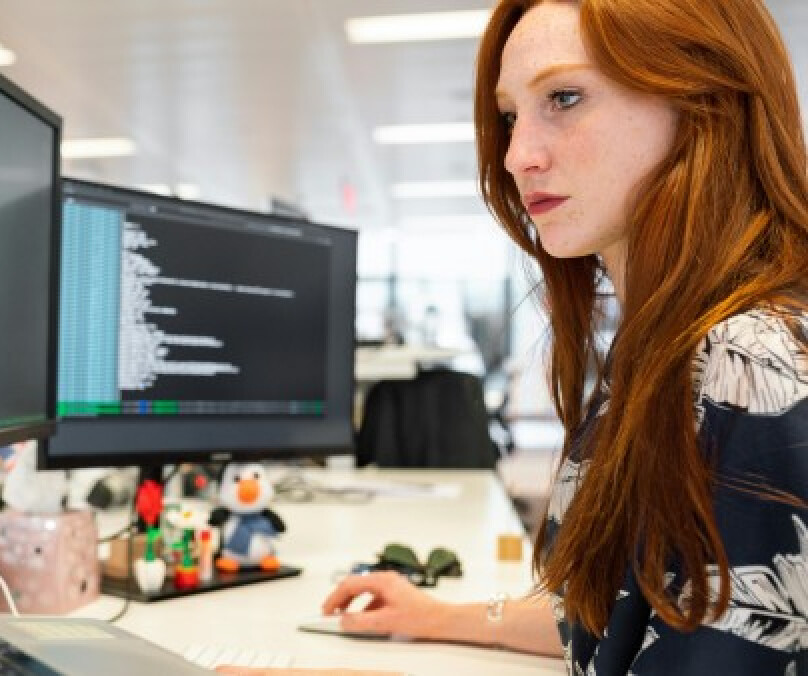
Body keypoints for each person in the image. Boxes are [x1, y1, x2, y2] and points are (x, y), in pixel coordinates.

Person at [220, 0, 808, 673]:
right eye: (509, 117)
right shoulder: (669, 344)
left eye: (565, 97)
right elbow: (625, 618)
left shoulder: (750, 363)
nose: (515, 156)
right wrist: (434, 617)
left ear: (704, 101)